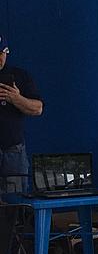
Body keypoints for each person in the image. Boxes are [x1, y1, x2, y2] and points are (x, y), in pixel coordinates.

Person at [0, 36, 43, 192]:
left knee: (17, 201)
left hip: (13, 148)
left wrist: (15, 98)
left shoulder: (20, 76)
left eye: (1, 53)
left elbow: (38, 108)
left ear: (7, 52)